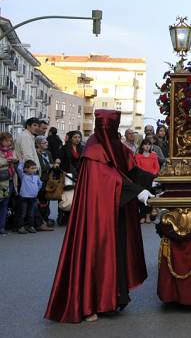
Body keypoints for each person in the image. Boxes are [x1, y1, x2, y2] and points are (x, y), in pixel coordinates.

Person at [46, 110, 156, 323]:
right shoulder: (95, 149)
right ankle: (89, 303)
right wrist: (138, 192)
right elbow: (110, 178)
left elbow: (129, 170)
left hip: (115, 212)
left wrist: (156, 180)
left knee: (116, 253)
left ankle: (112, 298)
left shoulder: (113, 145)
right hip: (98, 215)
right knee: (97, 253)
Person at [33, 136, 56, 231]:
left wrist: (51, 165)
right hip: (40, 179)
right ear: (38, 144)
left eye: (46, 142)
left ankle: (46, 218)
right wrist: (51, 165)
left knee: (47, 200)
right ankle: (40, 220)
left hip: (48, 180)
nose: (47, 144)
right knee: (40, 200)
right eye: (44, 143)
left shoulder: (48, 153)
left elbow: (51, 164)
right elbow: (41, 167)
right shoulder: (36, 153)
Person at [15, 159, 41, 234]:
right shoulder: (23, 175)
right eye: (32, 168)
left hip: (33, 198)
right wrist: (22, 162)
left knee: (31, 213)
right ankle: (20, 227)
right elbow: (19, 169)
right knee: (23, 213)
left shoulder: (36, 177)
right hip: (24, 198)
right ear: (26, 169)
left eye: (35, 168)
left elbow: (40, 184)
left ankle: (31, 226)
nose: (34, 170)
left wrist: (36, 190)